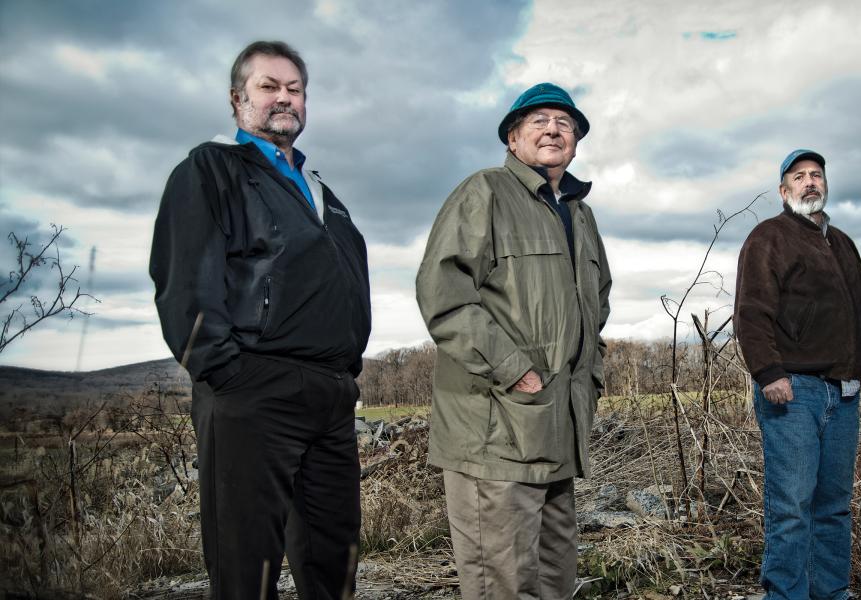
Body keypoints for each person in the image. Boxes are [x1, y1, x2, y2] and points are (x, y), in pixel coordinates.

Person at [149, 41, 371, 600]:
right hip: (251, 389)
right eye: (269, 87)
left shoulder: (324, 193)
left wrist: (348, 368)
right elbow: (184, 279)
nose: (284, 98)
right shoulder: (212, 169)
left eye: (294, 89)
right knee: (248, 564)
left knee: (335, 559)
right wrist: (223, 371)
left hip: (330, 394)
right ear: (237, 99)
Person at [415, 82, 611, 600]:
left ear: (576, 142)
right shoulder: (485, 193)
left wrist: (588, 377)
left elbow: (598, 304)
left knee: (554, 580)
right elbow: (445, 294)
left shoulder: (580, 215)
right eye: (539, 121)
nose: (553, 130)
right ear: (513, 137)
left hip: (559, 430)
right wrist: (514, 369)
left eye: (565, 123)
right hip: (497, 431)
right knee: (501, 584)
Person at [734, 149, 861, 600]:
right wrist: (769, 372)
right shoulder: (769, 237)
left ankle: (831, 592)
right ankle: (786, 595)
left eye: (817, 175)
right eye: (799, 177)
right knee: (791, 507)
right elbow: (751, 311)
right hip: (793, 391)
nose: (810, 182)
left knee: (833, 507)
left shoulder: (844, 244)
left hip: (844, 391)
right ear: (784, 190)